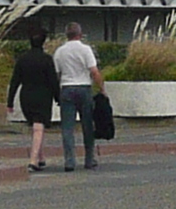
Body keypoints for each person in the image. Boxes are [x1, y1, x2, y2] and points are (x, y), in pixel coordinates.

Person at [52, 21, 106, 171]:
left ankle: (69, 161)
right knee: (87, 125)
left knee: (67, 127)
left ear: (66, 35)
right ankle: (89, 159)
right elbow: (94, 71)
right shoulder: (85, 50)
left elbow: (57, 73)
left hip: (67, 88)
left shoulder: (59, 51)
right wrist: (102, 89)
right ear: (80, 35)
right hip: (84, 88)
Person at [9, 32, 60, 172]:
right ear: (43, 42)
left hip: (26, 96)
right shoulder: (47, 59)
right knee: (39, 126)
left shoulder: (22, 59)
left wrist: (10, 101)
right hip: (43, 96)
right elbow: (53, 81)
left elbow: (14, 81)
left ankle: (40, 157)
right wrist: (58, 98)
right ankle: (33, 161)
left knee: (36, 127)